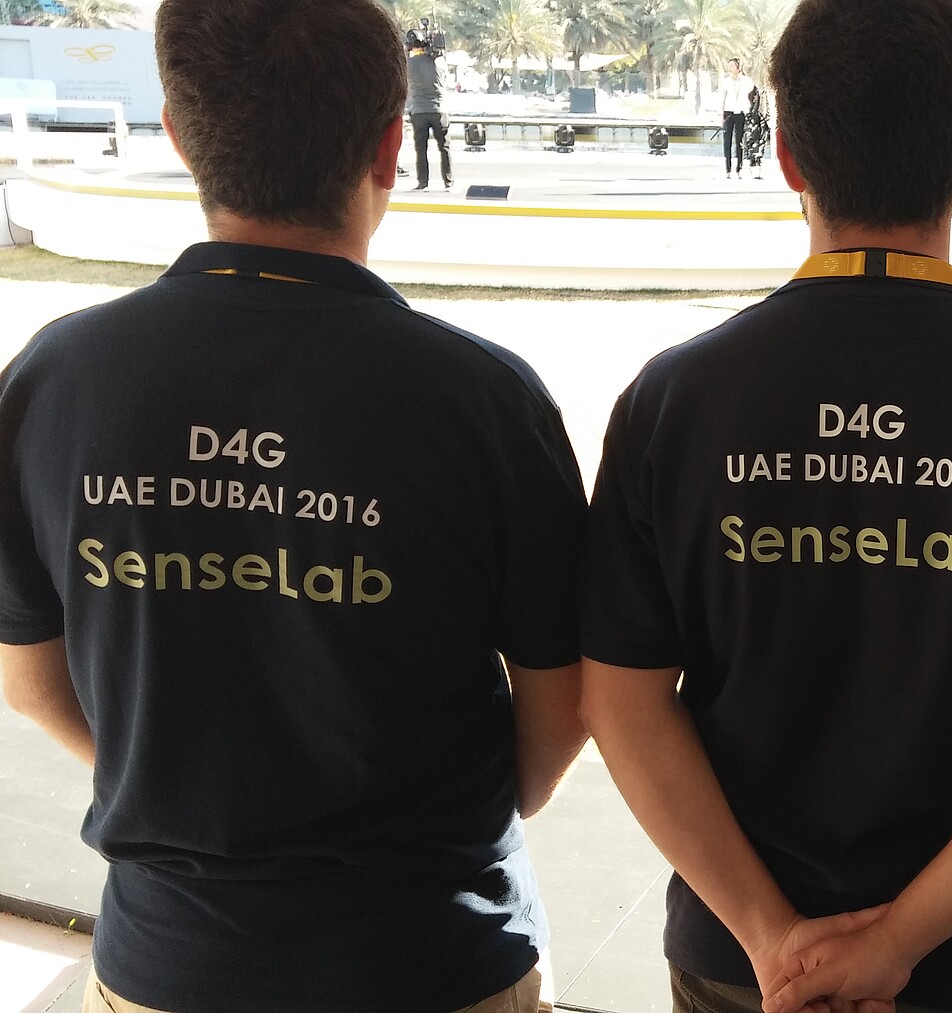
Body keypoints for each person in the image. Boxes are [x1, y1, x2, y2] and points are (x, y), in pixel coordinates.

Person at [0, 1, 590, 1010]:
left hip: (165, 959)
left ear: (180, 135)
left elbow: (29, 680)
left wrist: (168, 783)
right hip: (432, 953)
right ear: (391, 146)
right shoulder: (484, 399)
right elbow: (563, 705)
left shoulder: (56, 377)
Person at [578, 1, 952, 1011]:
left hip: (740, 962)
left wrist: (770, 935)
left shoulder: (673, 402)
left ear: (788, 157)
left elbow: (621, 698)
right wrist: (897, 940)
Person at [407, 32, 453, 190]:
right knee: (444, 147)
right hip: (439, 109)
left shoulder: (410, 63)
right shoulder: (441, 62)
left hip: (419, 110)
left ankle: (422, 182)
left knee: (421, 149)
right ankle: (448, 181)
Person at [719, 57, 752, 179]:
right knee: (727, 142)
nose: (730, 68)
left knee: (739, 142)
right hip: (728, 112)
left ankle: (738, 169)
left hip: (740, 113)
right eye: (729, 66)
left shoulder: (746, 81)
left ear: (738, 67)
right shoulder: (726, 81)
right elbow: (722, 98)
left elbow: (750, 93)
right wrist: (721, 115)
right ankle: (727, 170)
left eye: (732, 66)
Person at [743, 83, 770, 180]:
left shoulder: (757, 94)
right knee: (757, 149)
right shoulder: (758, 94)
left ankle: (754, 171)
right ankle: (756, 171)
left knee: (753, 149)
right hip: (756, 125)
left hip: (753, 125)